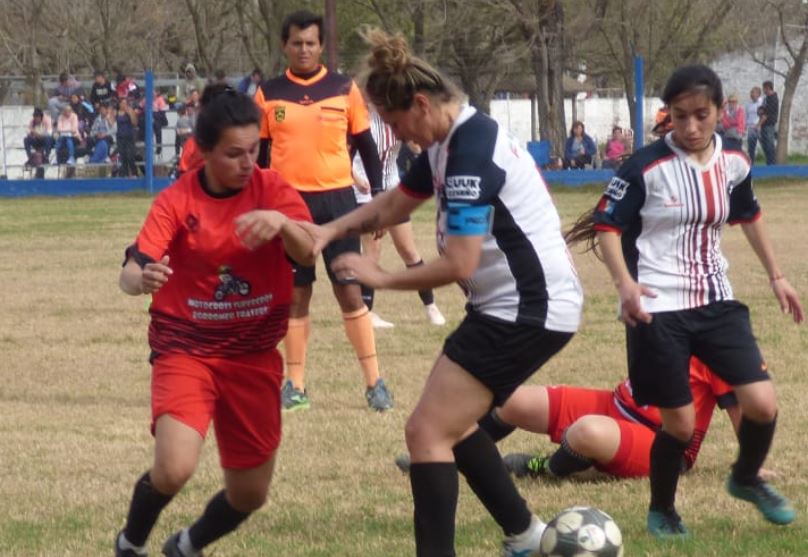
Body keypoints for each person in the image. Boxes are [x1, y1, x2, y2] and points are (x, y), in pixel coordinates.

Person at [301, 29, 583, 557]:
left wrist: (381, 278)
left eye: (394, 122)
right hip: (517, 307)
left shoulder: (469, 153)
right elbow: (394, 204)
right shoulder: (447, 143)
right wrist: (330, 231)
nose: (396, 134)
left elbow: (459, 263)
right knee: (455, 422)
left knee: (426, 432)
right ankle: (526, 535)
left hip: (526, 310)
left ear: (421, 105)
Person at [565, 64, 803, 539]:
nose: (691, 127)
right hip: (657, 308)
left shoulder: (734, 159)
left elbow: (749, 215)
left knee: (762, 404)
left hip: (716, 300)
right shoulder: (644, 167)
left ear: (719, 111)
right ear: (667, 115)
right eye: (680, 116)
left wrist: (777, 276)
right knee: (679, 425)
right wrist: (625, 285)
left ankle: (745, 477)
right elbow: (607, 228)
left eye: (701, 115)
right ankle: (663, 511)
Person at [114, 84, 315, 557]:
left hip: (254, 355)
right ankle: (131, 544)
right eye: (233, 154)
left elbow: (309, 250)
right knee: (174, 468)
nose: (247, 163)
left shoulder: (273, 189)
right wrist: (141, 279)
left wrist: (283, 224)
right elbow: (130, 271)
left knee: (250, 494)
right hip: (187, 349)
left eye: (253, 150)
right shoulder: (177, 200)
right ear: (203, 151)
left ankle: (186, 546)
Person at [254, 10, 391, 412]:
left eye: (310, 43)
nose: (304, 49)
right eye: (296, 43)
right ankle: (295, 386)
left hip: (339, 204)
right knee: (297, 294)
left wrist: (378, 200)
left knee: (349, 289)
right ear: (285, 46)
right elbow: (259, 158)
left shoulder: (344, 88)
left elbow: (367, 147)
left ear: (321, 46)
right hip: (289, 207)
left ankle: (375, 383)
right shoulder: (268, 93)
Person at [395, 357, 743, 481]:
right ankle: (441, 458)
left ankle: (543, 468)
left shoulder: (715, 342)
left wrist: (751, 465)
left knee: (585, 432)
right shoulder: (658, 310)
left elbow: (740, 407)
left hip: (661, 444)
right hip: (614, 405)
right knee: (510, 401)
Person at [352, 109, 446, 328]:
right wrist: (355, 178)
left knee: (408, 249)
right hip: (365, 193)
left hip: (393, 190)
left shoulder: (395, 117)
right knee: (372, 251)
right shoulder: (360, 118)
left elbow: (416, 145)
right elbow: (344, 155)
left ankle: (430, 306)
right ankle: (367, 312)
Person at [115, 97, 139, 177]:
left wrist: (130, 114)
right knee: (123, 156)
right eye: (122, 103)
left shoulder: (130, 111)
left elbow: (135, 123)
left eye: (125, 103)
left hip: (129, 136)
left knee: (130, 156)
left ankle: (134, 173)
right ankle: (125, 174)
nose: (124, 105)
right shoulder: (117, 113)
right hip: (120, 137)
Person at [758, 80, 779, 165]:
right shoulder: (766, 98)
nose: (763, 90)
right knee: (765, 145)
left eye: (764, 89)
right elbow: (761, 109)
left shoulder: (773, 99)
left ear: (768, 88)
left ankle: (772, 164)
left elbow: (766, 114)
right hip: (764, 125)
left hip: (769, 125)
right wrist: (760, 111)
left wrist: (758, 125)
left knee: (769, 145)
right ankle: (769, 163)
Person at [745, 86, 763, 163]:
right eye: (751, 93)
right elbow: (746, 115)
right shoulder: (748, 104)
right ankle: (752, 163)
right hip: (751, 127)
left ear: (758, 94)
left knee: (764, 145)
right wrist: (746, 126)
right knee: (751, 148)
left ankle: (771, 164)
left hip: (760, 127)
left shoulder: (762, 102)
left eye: (753, 93)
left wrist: (759, 125)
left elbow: (763, 115)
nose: (751, 94)